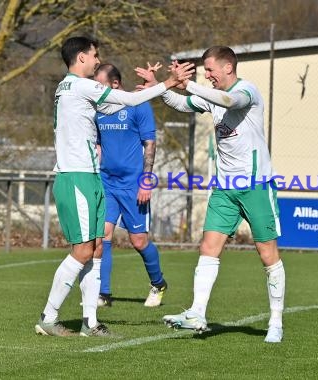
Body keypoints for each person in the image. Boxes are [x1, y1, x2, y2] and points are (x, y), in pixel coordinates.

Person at [35, 36, 188, 337]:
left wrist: (147, 90)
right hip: (76, 177)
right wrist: (168, 83)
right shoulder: (78, 85)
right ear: (80, 58)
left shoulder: (72, 89)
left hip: (92, 177)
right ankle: (48, 317)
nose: (96, 60)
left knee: (94, 249)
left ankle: (90, 322)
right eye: (94, 55)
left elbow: (116, 107)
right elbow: (127, 101)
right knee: (82, 251)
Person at [136, 46, 286, 343]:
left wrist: (187, 83)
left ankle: (276, 322)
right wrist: (160, 88)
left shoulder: (247, 92)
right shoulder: (211, 97)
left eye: (211, 70)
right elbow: (181, 104)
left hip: (256, 185)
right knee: (208, 247)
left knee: (267, 254)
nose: (208, 75)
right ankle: (197, 313)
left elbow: (227, 100)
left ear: (228, 67)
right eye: (205, 71)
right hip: (224, 188)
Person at [94, 63, 167, 308]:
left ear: (115, 84)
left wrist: (146, 181)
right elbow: (100, 145)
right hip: (107, 183)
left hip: (134, 185)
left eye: (101, 85)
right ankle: (103, 293)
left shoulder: (138, 104)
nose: (97, 90)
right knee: (102, 235)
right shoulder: (98, 109)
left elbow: (150, 144)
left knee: (139, 242)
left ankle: (158, 283)